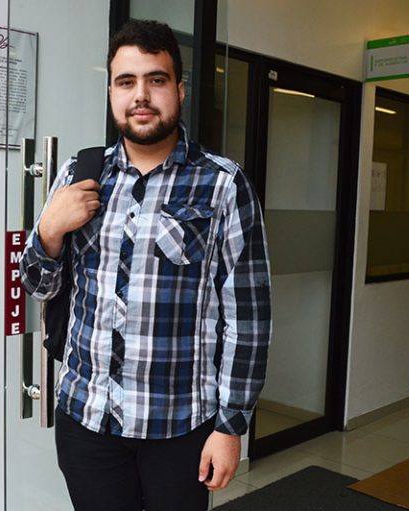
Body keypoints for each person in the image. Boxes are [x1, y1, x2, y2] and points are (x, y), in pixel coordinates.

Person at [20, 19, 271, 511]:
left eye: (156, 80)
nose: (141, 95)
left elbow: (248, 317)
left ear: (180, 90)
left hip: (179, 427)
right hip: (87, 419)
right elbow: (39, 286)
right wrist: (49, 231)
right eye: (126, 81)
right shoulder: (79, 174)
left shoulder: (222, 184)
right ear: (112, 92)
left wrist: (231, 425)